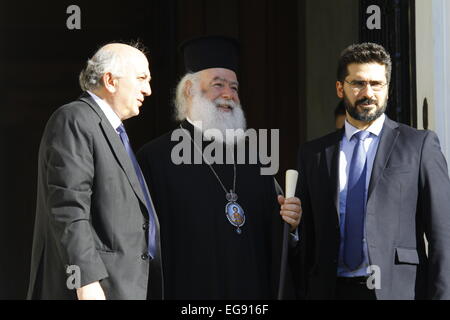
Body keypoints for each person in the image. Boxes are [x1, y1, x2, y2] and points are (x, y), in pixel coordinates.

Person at [137, 36, 301, 299]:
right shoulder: (154, 158)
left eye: (234, 87)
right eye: (218, 85)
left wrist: (290, 224)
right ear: (189, 90)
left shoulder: (255, 156)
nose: (229, 94)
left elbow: (276, 237)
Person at [295, 42, 450, 300]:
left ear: (387, 90)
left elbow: (443, 234)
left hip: (398, 291)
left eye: (377, 84)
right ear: (339, 88)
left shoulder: (419, 145)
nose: (368, 92)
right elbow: (306, 239)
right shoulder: (313, 155)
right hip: (331, 291)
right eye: (358, 83)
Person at [27, 43, 163, 300]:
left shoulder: (112, 130)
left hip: (124, 286)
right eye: (142, 78)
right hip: (95, 288)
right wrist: (85, 280)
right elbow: (68, 208)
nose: (148, 89)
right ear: (110, 80)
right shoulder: (75, 119)